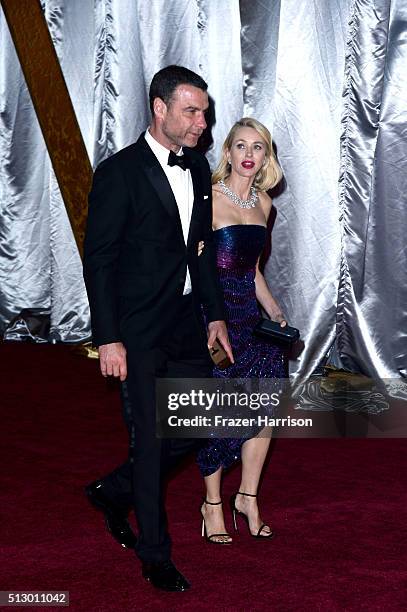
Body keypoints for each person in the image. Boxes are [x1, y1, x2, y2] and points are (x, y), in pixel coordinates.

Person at [83, 65, 233, 592]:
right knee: (149, 440)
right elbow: (99, 259)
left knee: (192, 427)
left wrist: (214, 313)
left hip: (186, 325)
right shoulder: (119, 172)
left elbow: (202, 250)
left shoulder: (195, 166)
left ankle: (113, 490)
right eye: (192, 112)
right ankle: (156, 556)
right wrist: (108, 337)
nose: (202, 124)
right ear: (159, 108)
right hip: (137, 329)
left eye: (205, 113)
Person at [197, 117, 286, 544]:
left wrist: (274, 309)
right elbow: (197, 265)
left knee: (266, 404)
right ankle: (212, 503)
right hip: (213, 316)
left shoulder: (265, 205)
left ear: (266, 157)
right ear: (228, 152)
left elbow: (251, 269)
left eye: (258, 148)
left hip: (250, 318)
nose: (249, 155)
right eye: (241, 146)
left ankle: (247, 497)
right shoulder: (208, 200)